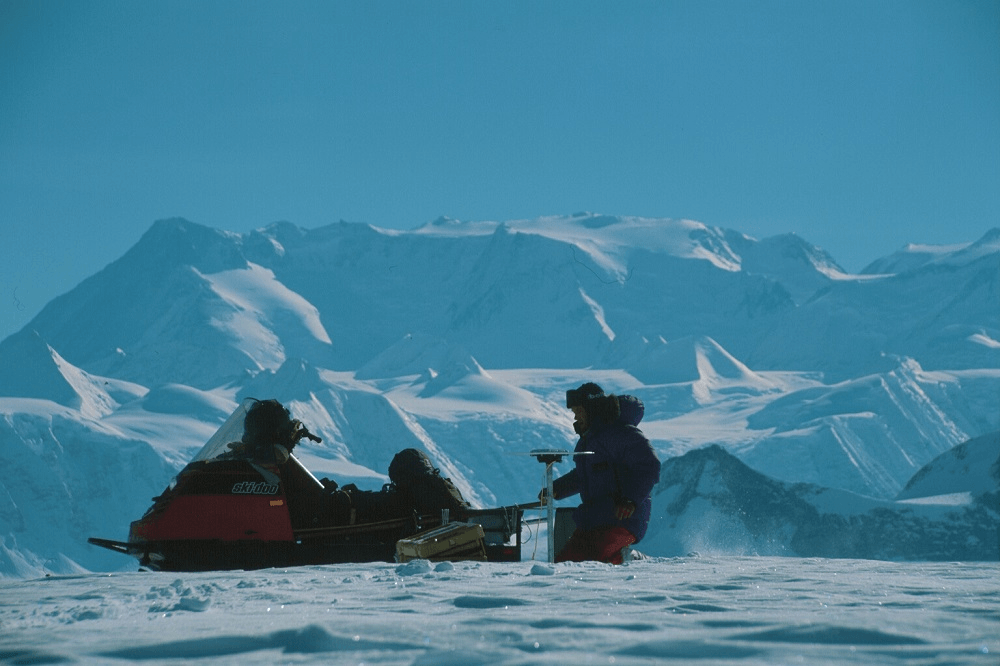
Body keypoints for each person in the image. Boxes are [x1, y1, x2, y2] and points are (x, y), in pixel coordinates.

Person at [547, 382, 661, 564]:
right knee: (565, 565)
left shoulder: (622, 433)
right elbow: (584, 475)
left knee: (597, 560)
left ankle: (634, 559)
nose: (575, 417)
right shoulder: (588, 440)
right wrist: (555, 489)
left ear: (592, 409)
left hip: (623, 519)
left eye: (579, 411)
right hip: (593, 519)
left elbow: (649, 466)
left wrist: (630, 500)